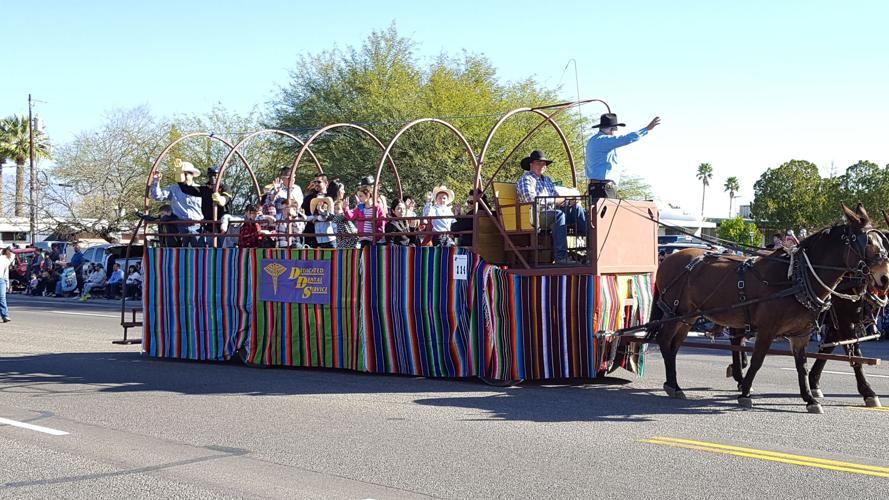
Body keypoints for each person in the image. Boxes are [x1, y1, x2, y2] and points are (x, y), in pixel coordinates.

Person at [516, 150, 588, 264]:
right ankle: (561, 258)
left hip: (550, 212)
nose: (542, 166)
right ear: (531, 164)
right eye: (538, 163)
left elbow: (558, 198)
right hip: (535, 215)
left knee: (577, 210)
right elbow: (531, 200)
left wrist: (570, 202)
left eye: (544, 164)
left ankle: (592, 248)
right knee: (558, 215)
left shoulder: (547, 180)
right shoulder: (526, 179)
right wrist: (556, 201)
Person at [584, 113, 661, 199]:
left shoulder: (593, 140)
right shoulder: (604, 140)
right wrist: (646, 129)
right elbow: (626, 138)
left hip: (594, 187)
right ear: (611, 129)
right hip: (604, 187)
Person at [149, 161, 205, 246]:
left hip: (198, 226)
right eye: (181, 174)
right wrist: (156, 181)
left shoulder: (200, 189)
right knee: (178, 253)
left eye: (186, 174)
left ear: (192, 175)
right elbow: (157, 196)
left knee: (199, 253)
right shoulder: (173, 189)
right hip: (179, 226)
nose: (183, 177)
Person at [0, 247, 14, 322]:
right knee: (2, 297)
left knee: (2, 297)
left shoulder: (5, 259)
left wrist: (7, 284)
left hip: (1, 279)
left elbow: (6, 273)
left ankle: (5, 315)